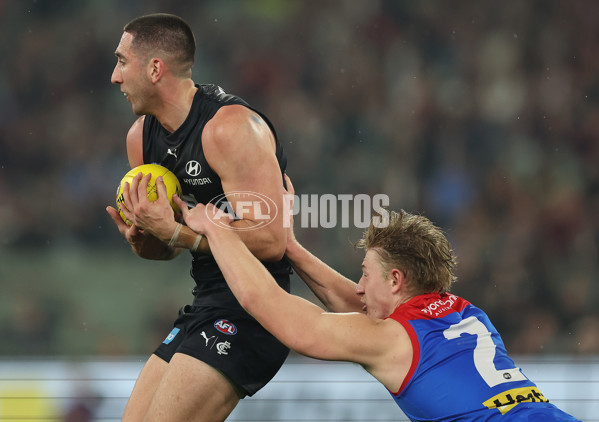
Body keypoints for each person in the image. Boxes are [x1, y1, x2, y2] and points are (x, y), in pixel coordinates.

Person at [164, 174, 581, 421]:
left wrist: (218, 230)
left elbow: (273, 309)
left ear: (397, 279)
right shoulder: (466, 315)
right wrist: (287, 244)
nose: (358, 287)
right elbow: (358, 306)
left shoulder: (392, 340)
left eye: (365, 275)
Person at [105, 13, 292, 422]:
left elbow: (273, 241)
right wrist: (148, 241)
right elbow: (168, 246)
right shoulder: (141, 138)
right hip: (206, 302)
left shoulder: (231, 127)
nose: (115, 77)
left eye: (121, 61)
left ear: (155, 68)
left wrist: (179, 235)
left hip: (254, 308)